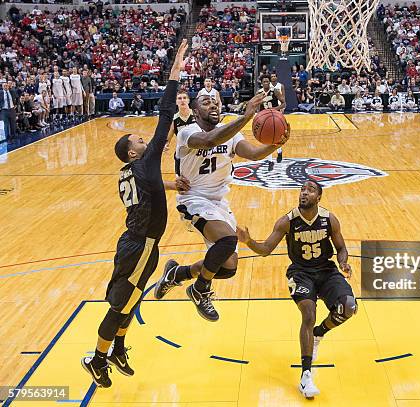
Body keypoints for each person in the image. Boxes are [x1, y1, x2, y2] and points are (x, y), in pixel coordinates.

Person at [80, 40, 190, 389]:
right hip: (140, 245)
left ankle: (119, 350)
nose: (147, 142)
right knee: (119, 307)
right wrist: (173, 75)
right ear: (132, 153)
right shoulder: (143, 162)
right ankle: (97, 358)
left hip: (141, 243)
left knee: (133, 298)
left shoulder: (130, 173)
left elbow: (149, 192)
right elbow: (165, 117)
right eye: (139, 141)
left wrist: (171, 187)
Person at [152, 91, 290, 322]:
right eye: (206, 102)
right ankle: (200, 289)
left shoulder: (232, 135)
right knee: (228, 240)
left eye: (215, 101)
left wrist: (276, 143)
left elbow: (254, 154)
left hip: (219, 203)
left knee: (227, 268)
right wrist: (246, 117)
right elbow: (209, 141)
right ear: (195, 112)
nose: (213, 104)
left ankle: (177, 274)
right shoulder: (187, 132)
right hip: (193, 199)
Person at [236, 181, 356, 399]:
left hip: (326, 270)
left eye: (310, 190)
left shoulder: (329, 219)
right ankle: (306, 375)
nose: (304, 192)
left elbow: (341, 248)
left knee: (348, 307)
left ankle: (319, 333)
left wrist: (343, 262)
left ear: (318, 197)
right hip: (300, 273)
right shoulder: (287, 221)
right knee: (308, 314)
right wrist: (249, 241)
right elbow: (265, 250)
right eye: (302, 189)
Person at [258, 74, 286, 164]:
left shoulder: (275, 91)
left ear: (269, 82)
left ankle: (279, 152)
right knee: (266, 138)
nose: (266, 83)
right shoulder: (259, 93)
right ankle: (270, 161)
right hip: (264, 118)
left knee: (276, 136)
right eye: (264, 82)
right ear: (261, 83)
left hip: (275, 117)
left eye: (267, 81)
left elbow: (284, 104)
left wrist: (274, 109)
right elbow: (258, 106)